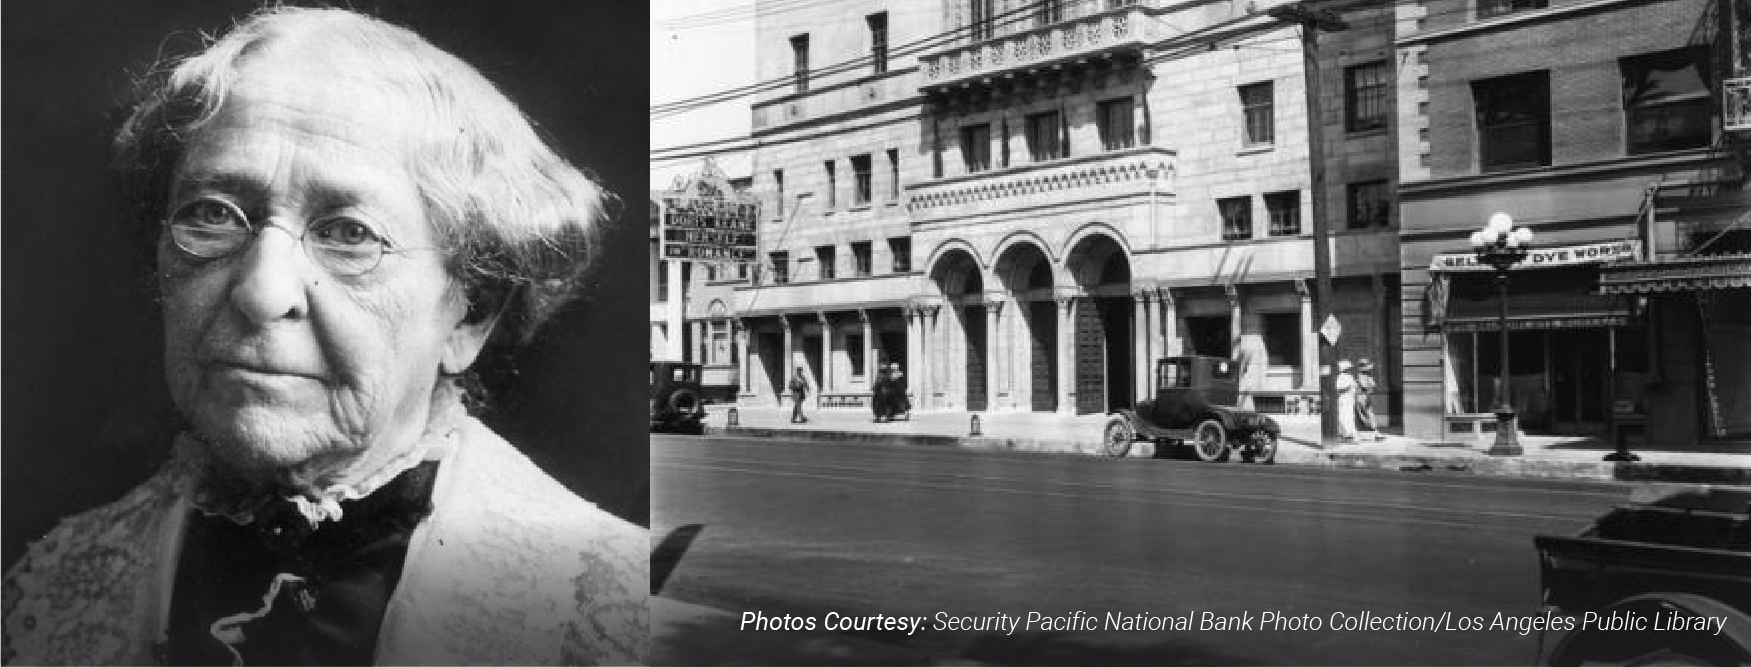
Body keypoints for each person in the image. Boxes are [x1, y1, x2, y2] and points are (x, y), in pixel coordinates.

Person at [1, 8, 644, 665]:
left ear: (470, 310)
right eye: (213, 216)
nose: (262, 291)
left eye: (349, 233)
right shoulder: (45, 592)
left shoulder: (611, 615)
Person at [1334, 359, 1360, 443]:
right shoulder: (1340, 377)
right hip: (1343, 399)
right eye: (1348, 368)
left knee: (1350, 417)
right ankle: (1346, 435)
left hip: (1350, 399)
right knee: (1343, 417)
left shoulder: (1350, 376)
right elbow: (1338, 389)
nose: (1350, 369)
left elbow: (1355, 387)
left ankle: (1350, 435)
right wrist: (1347, 388)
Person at [1355, 358, 1380, 440]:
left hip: (1366, 396)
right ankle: (1375, 433)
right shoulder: (1360, 376)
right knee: (1363, 415)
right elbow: (1366, 386)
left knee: (1368, 414)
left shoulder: (1367, 376)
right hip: (1361, 396)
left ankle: (1376, 433)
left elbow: (1373, 386)